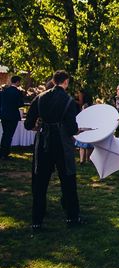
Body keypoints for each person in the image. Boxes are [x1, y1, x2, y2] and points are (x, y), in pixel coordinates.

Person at [24, 70, 82, 231]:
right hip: (62, 145)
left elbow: (28, 124)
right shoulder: (69, 101)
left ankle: (37, 220)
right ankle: (72, 217)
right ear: (66, 82)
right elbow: (71, 128)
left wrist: (38, 125)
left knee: (40, 182)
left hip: (43, 142)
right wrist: (75, 130)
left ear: (53, 80)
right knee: (68, 180)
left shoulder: (40, 97)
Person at [1, 75, 24, 160]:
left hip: (4, 115)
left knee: (5, 134)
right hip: (13, 115)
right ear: (17, 82)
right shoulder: (18, 92)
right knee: (9, 135)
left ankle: (3, 152)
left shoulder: (4, 91)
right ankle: (5, 153)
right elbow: (20, 104)